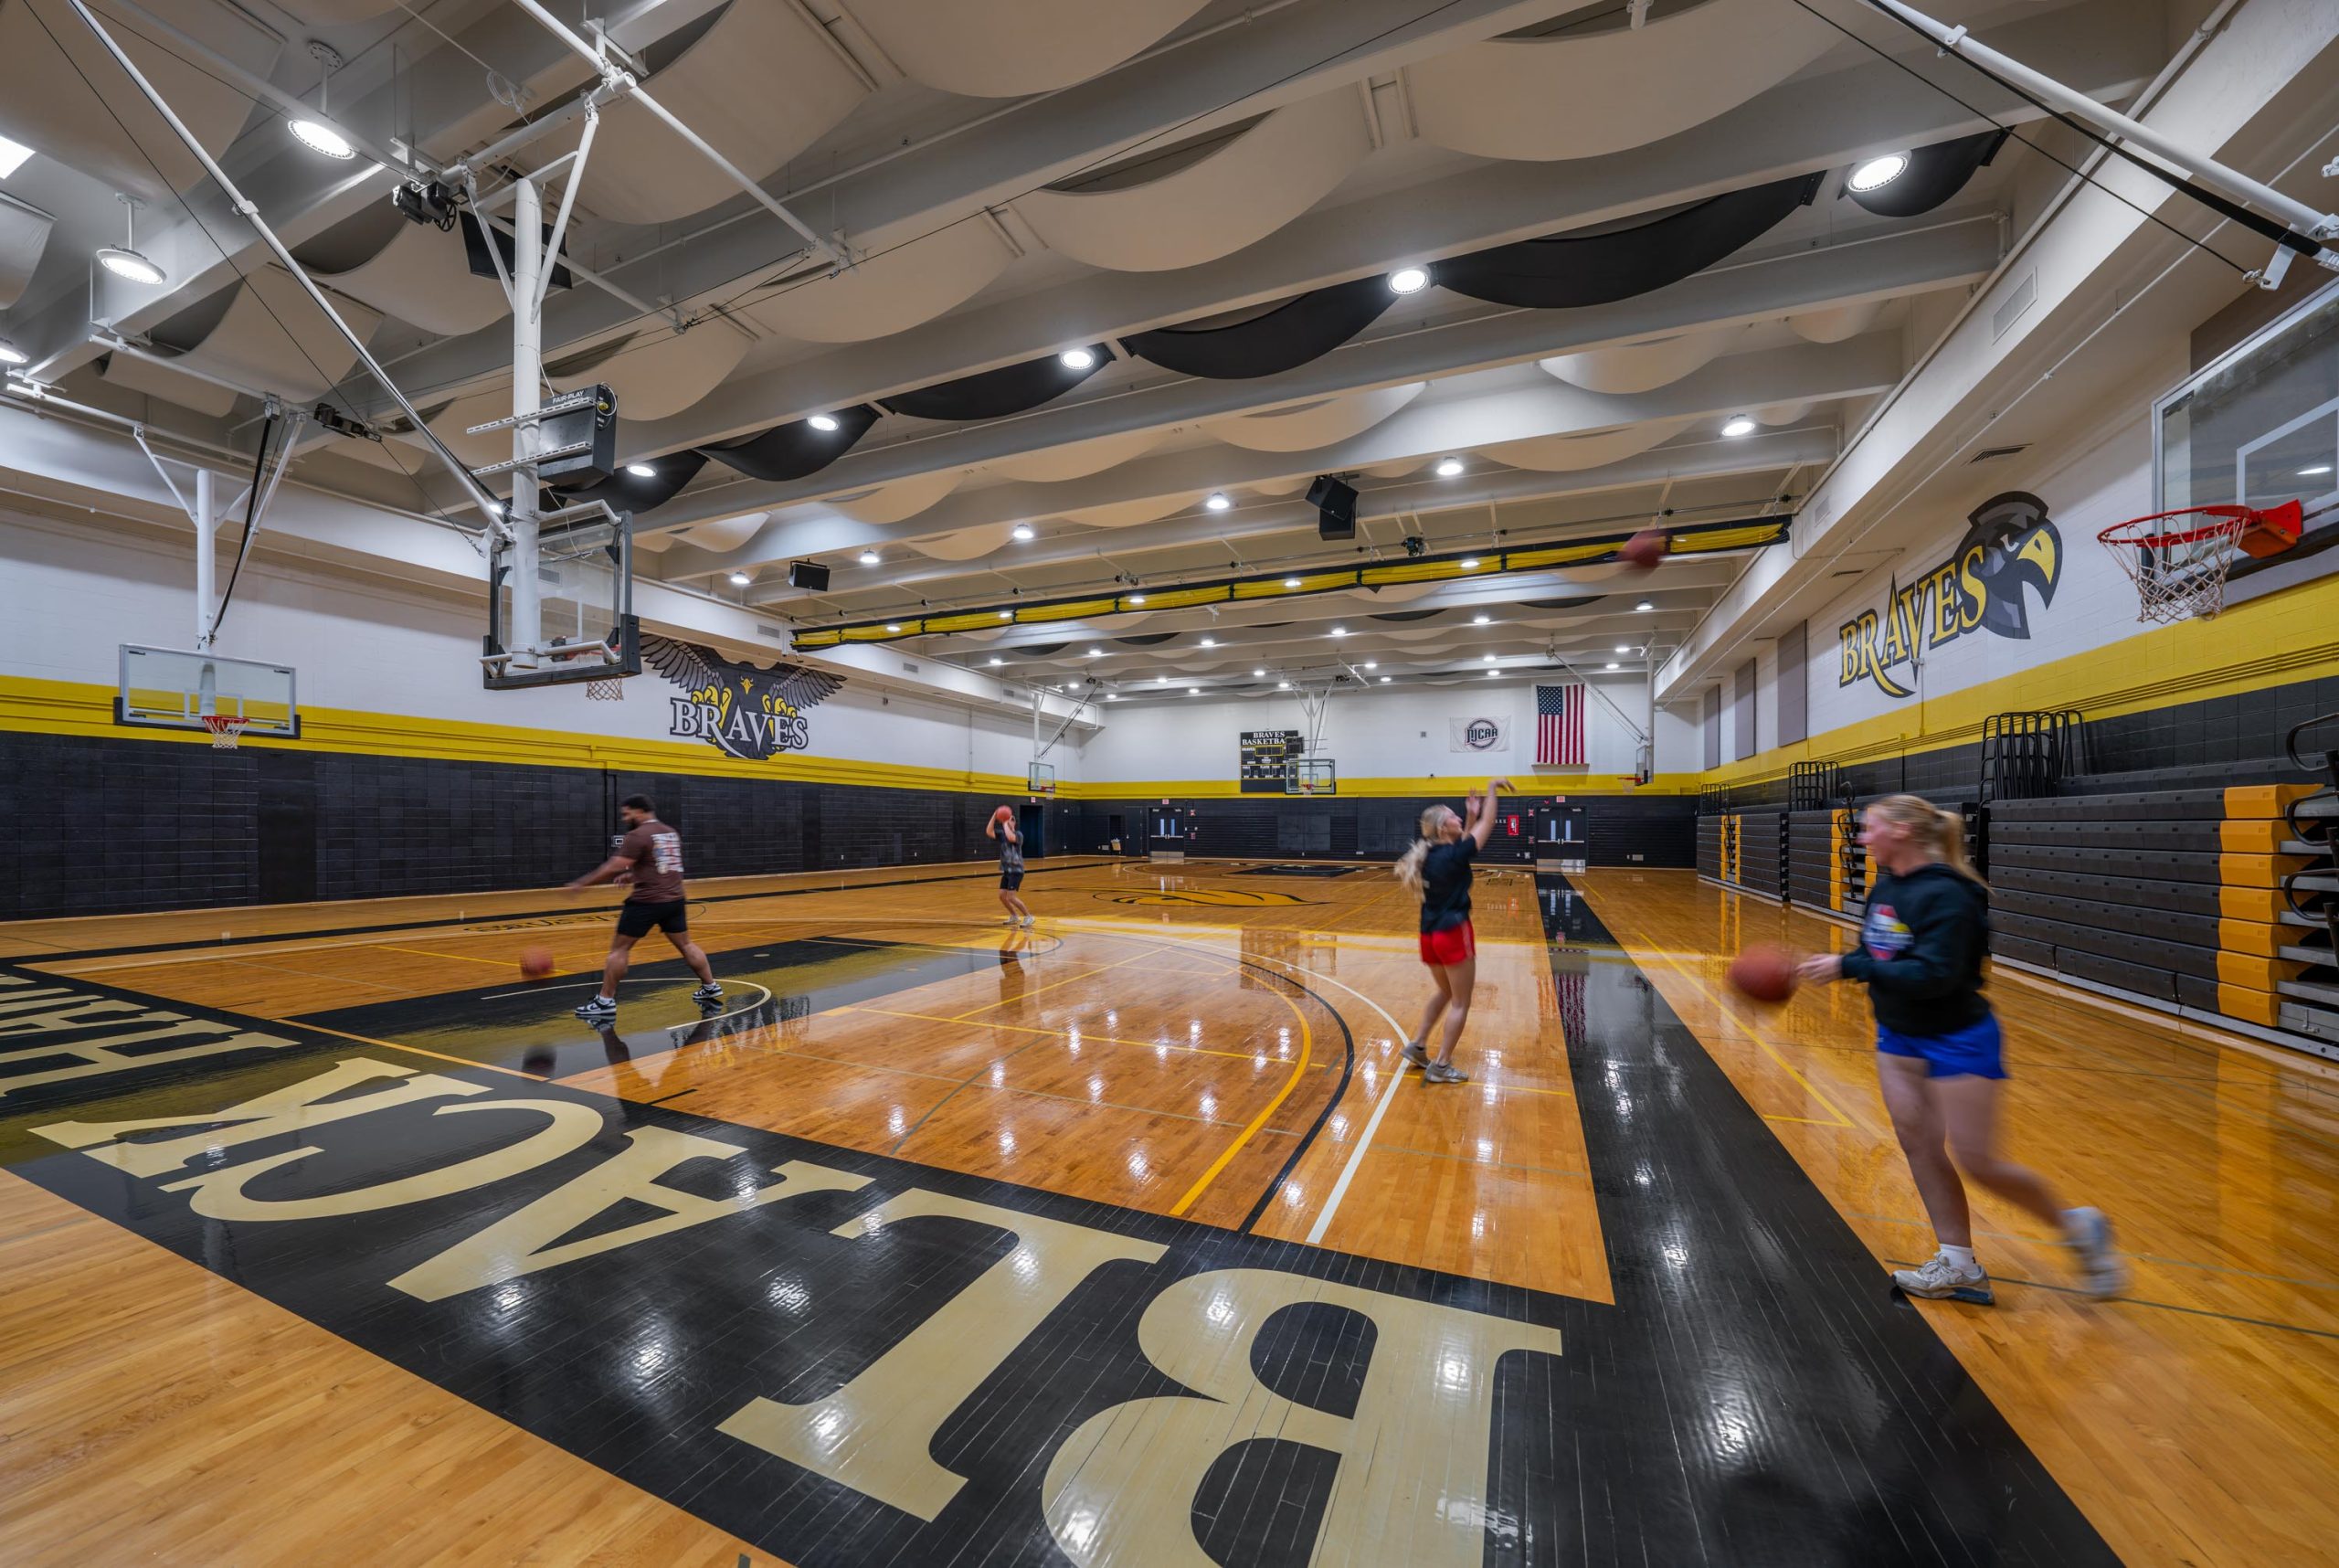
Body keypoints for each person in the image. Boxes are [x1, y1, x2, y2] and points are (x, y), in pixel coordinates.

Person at [1795, 794, 2122, 1304]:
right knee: (1919, 1146)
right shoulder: (1886, 886)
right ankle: (1959, 1264)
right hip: (1897, 1036)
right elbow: (1877, 949)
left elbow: (1936, 975)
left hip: (1956, 1037)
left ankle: (2077, 1227)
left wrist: (1849, 968)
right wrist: (1841, 960)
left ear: (1902, 832)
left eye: (1870, 828)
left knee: (1978, 1161)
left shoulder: (1951, 896)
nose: (1862, 838)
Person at [565, 794, 721, 1022]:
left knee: (619, 950)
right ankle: (710, 987)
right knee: (686, 944)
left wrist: (582, 883)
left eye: (627, 814)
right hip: (674, 900)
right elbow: (661, 865)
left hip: (646, 902)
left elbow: (613, 867)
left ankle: (605, 1001)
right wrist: (634, 875)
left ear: (639, 811)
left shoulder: (637, 835)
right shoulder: (669, 832)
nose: (625, 818)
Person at [1394, 778, 1508, 1085]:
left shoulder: (1429, 853)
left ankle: (1418, 1046)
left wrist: (1469, 816)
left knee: (1445, 992)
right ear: (1444, 828)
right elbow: (1490, 821)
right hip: (1453, 933)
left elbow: (1465, 838)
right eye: (1454, 816)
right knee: (1460, 1001)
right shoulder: (1455, 855)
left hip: (1429, 935)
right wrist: (1492, 789)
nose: (1460, 817)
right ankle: (1442, 1065)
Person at [987, 808, 1033, 928]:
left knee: (1011, 897)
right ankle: (1014, 916)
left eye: (1011, 820)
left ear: (1014, 823)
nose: (1009, 821)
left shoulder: (1018, 835)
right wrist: (995, 815)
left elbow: (1011, 837)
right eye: (1008, 820)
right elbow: (989, 831)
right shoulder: (1002, 835)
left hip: (1017, 871)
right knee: (1002, 896)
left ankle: (1029, 916)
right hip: (1007, 871)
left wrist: (1004, 822)